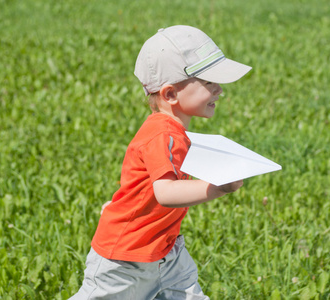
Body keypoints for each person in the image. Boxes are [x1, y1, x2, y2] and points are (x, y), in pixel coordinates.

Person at [70, 25, 252, 299]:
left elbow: (140, 181)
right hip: (125, 260)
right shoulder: (162, 134)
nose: (219, 90)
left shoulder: (176, 132)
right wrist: (217, 187)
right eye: (208, 83)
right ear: (170, 95)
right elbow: (165, 192)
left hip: (166, 251)